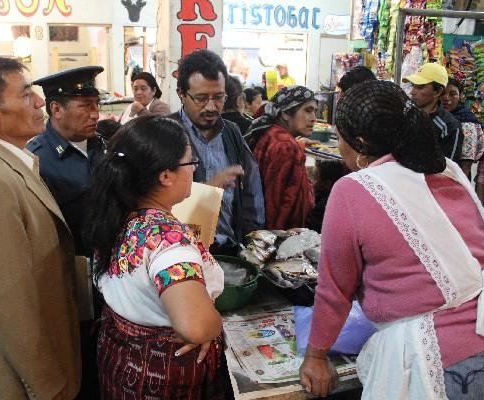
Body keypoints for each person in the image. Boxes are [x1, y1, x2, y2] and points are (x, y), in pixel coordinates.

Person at [299, 80, 484, 399]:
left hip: (443, 363)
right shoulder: (449, 170)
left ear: (359, 143)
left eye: (338, 137)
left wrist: (315, 357)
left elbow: (334, 290)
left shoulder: (354, 189)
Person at [0, 57, 81, 399]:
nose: (39, 102)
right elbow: (5, 301)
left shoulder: (10, 163)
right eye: (25, 95)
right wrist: (46, 384)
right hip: (19, 379)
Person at [83, 116, 225, 399]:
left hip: (120, 360)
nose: (194, 169)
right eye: (189, 162)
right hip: (161, 377)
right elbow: (195, 326)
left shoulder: (116, 215)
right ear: (165, 176)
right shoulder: (169, 240)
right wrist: (212, 327)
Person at [168, 49, 265, 255]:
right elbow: (153, 206)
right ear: (181, 94)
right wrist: (208, 189)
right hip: (179, 253)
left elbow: (251, 189)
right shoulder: (164, 134)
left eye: (219, 97)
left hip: (229, 249)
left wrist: (252, 239)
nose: (211, 107)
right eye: (201, 98)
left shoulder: (232, 133)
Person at [27, 66, 105, 256]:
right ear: (56, 109)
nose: (95, 114)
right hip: (68, 269)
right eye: (86, 106)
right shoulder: (35, 160)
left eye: (96, 104)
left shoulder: (105, 147)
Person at [246, 86, 316, 229]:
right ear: (285, 113)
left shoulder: (270, 133)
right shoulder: (286, 146)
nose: (314, 118)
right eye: (308, 110)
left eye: (315, 111)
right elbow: (277, 204)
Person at [403, 63, 463, 162]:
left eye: (420, 87)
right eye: (413, 86)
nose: (412, 92)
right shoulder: (406, 112)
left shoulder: (450, 126)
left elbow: (448, 170)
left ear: (438, 92)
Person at [442, 77, 484, 180]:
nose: (446, 98)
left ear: (460, 96)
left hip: (455, 179)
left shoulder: (467, 123)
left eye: (452, 94)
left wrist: (459, 189)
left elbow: (466, 165)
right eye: (443, 93)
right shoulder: (442, 116)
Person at [304, 160, 349, 234]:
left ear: (327, 184)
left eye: (315, 179)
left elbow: (308, 231)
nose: (312, 183)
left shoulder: (321, 209)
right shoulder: (344, 196)